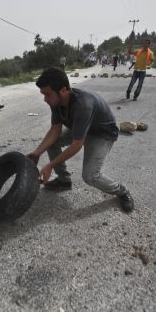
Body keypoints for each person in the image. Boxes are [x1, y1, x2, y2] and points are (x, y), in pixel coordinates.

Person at [26, 67, 134, 212]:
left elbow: (77, 145)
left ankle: (122, 191)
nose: (45, 99)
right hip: (81, 128)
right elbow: (55, 131)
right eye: (43, 94)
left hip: (102, 133)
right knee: (52, 144)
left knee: (90, 176)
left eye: (47, 94)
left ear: (63, 90)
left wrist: (50, 165)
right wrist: (37, 153)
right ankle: (64, 181)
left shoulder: (83, 105)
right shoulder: (56, 102)